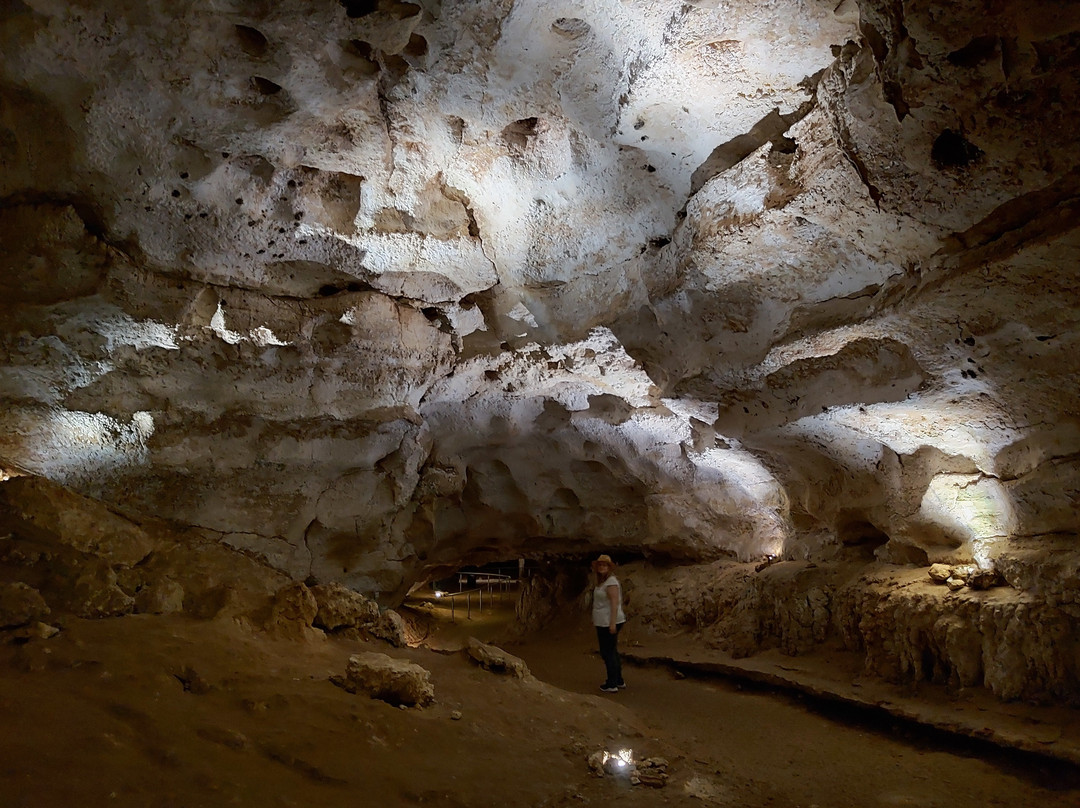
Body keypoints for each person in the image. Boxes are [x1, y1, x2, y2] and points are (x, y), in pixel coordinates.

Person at [591, 554, 626, 693]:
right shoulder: (602, 582)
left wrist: (612, 623)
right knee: (612, 651)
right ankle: (618, 680)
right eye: (600, 565)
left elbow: (614, 602)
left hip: (609, 622)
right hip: (603, 621)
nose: (602, 567)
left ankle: (612, 683)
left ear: (609, 568)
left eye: (604, 565)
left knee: (607, 652)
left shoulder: (611, 582)